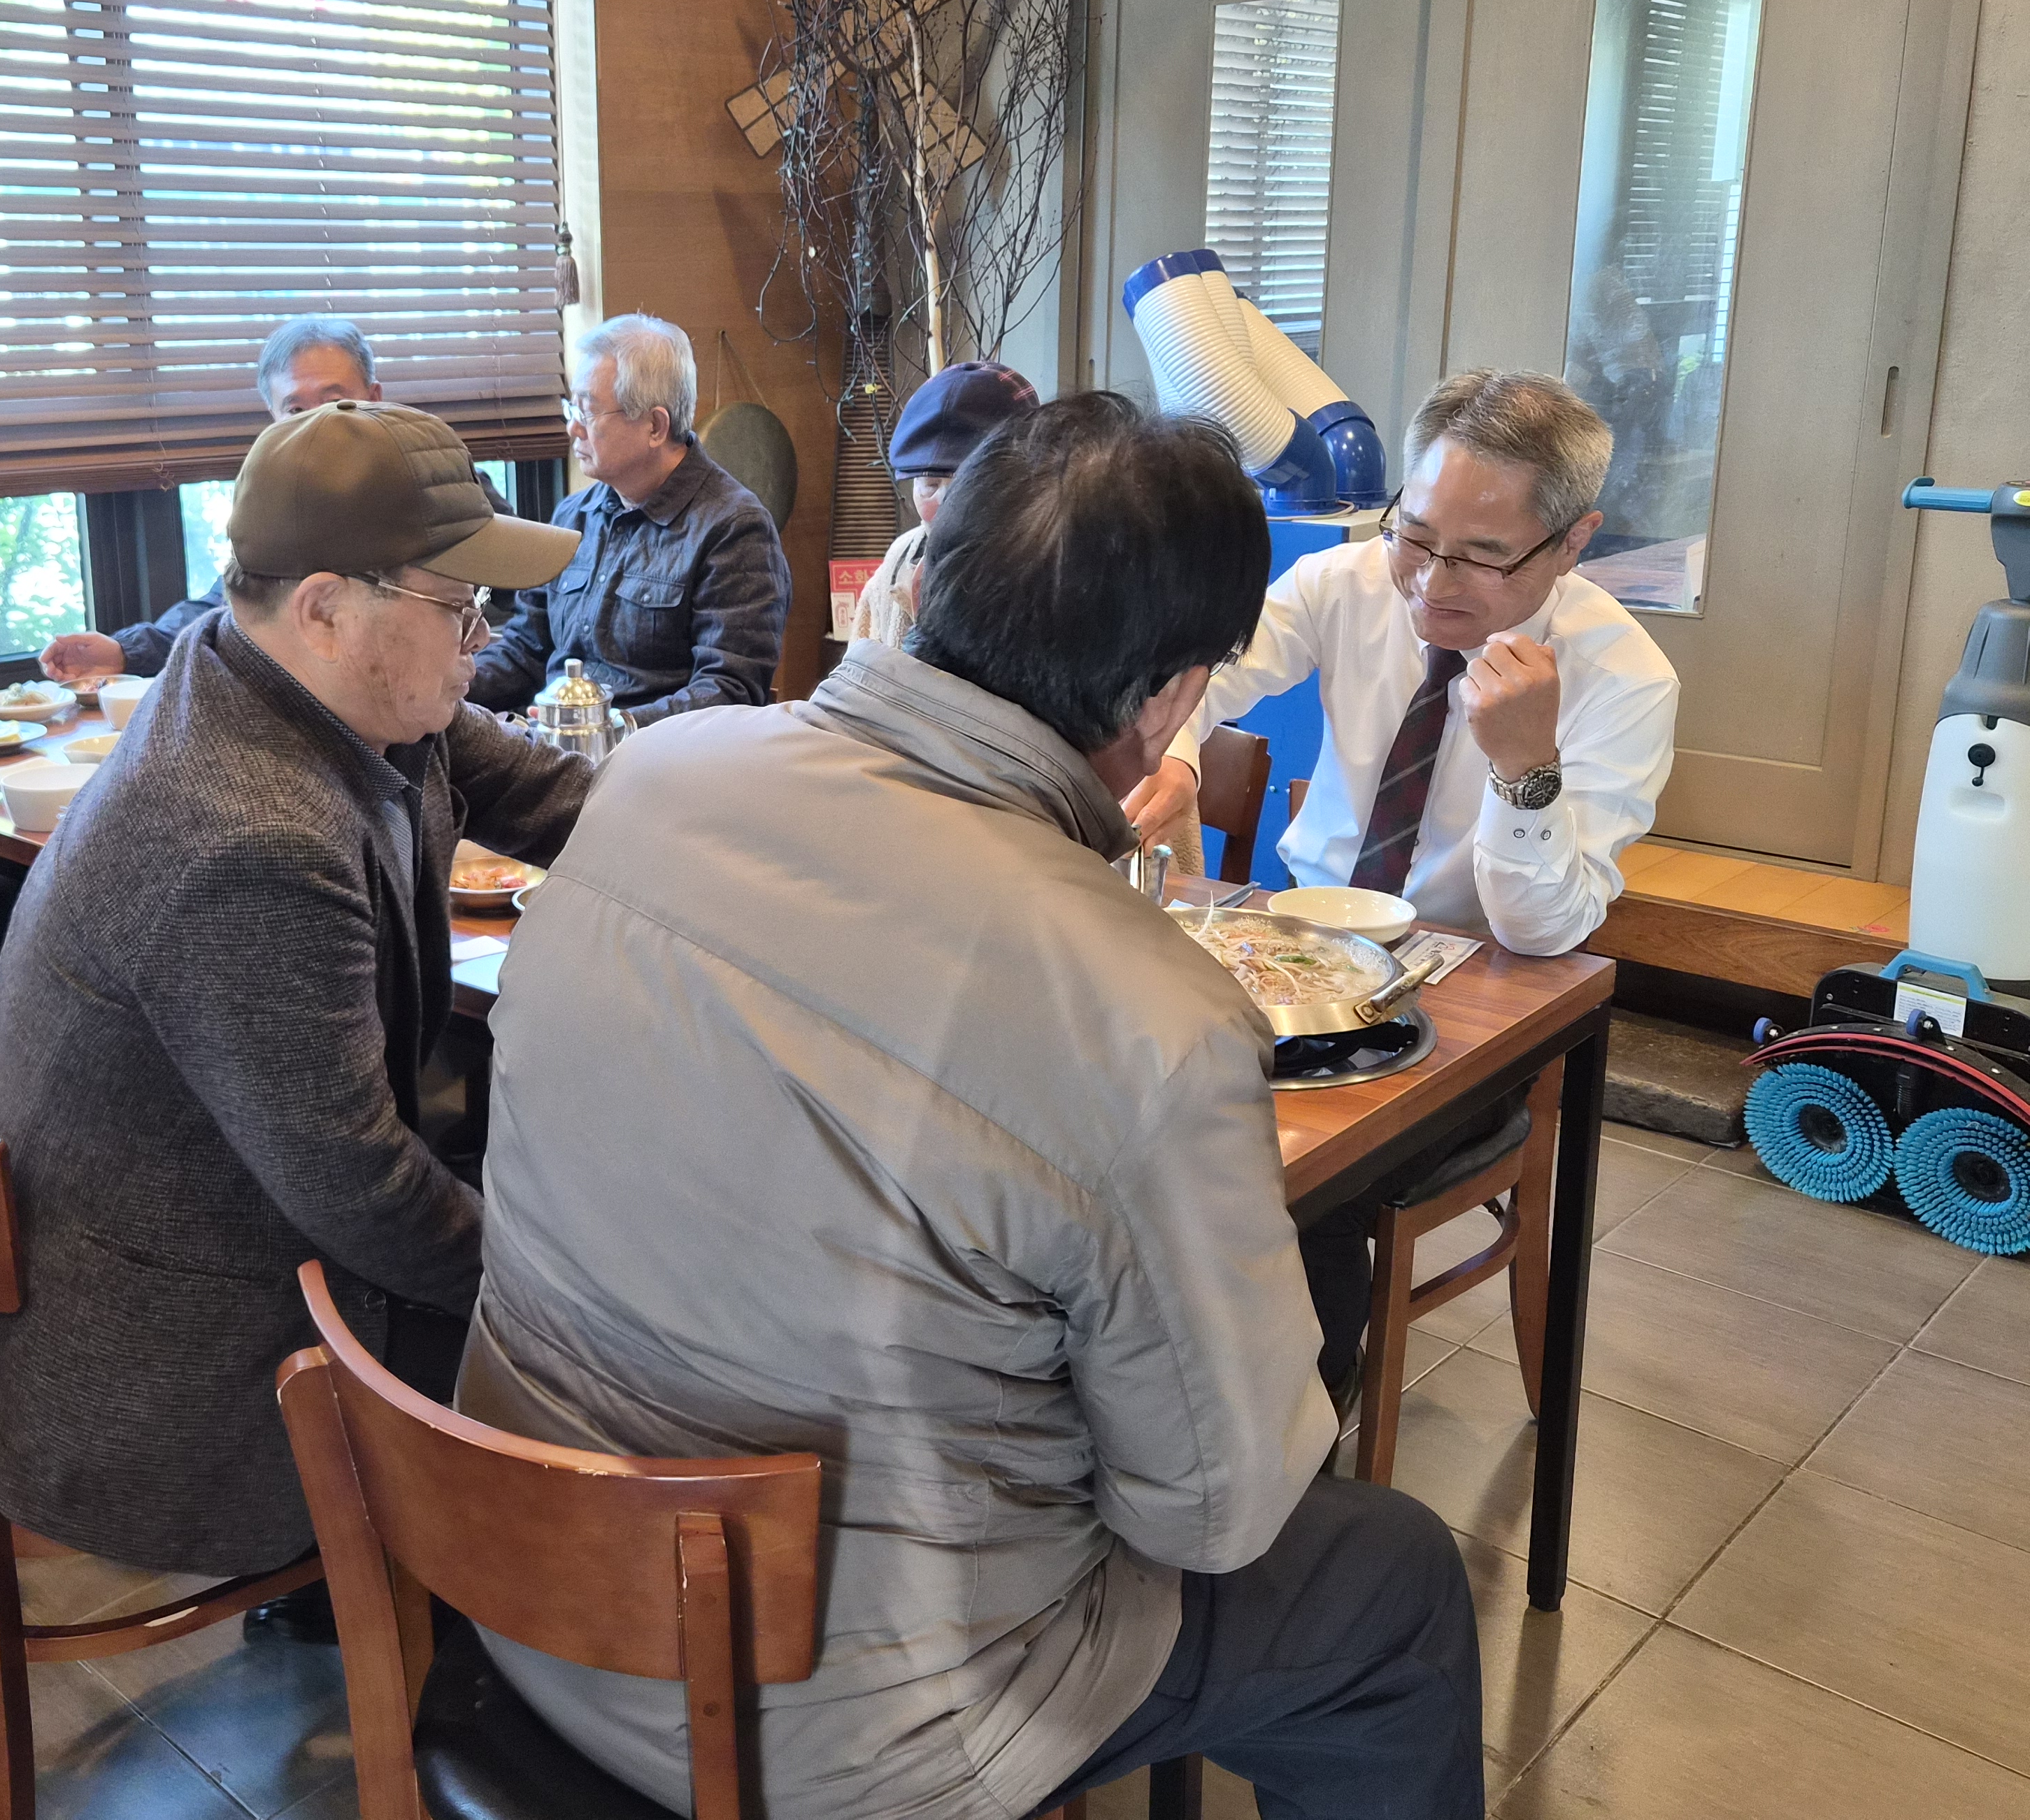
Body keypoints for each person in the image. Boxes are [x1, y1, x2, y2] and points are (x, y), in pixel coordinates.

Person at [469, 392, 1484, 1820]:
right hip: (830, 1731)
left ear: (923, 579)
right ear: (1169, 700)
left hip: (526, 1587)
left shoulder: (651, 774)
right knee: (1390, 1580)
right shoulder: (1140, 1006)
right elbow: (1212, 1510)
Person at [0, 400, 591, 1582]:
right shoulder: (245, 835)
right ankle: (463, 1643)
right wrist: (575, 1299)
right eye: (462, 608)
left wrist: (743, 829)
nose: (483, 638)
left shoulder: (294, 676)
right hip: (171, 1356)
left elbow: (557, 792)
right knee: (604, 1372)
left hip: (228, 1215)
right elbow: (366, 1198)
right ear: (326, 608)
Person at [1128, 367, 1679, 1401]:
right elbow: (1197, 672)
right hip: (1297, 955)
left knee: (1308, 1175)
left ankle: (1300, 1428)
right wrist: (1181, 760)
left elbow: (1545, 932)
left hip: (1474, 1004)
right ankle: (1164, 1391)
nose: (1431, 582)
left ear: (1572, 543)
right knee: (1126, 1087)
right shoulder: (1344, 584)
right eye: (1415, 535)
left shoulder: (1624, 679)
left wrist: (1525, 771)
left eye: (1482, 555)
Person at [36, 314, 516, 681]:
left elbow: (527, 608)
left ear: (374, 397)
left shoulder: (437, 480)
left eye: (335, 402)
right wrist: (125, 652)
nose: (318, 423)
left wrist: (471, 679)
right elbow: (234, 604)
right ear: (273, 417)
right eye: (295, 409)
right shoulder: (285, 505)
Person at [466, 313, 789, 728]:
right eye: (571, 407)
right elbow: (526, 650)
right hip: (553, 740)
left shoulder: (734, 529)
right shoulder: (572, 516)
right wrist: (452, 686)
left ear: (655, 426)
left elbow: (729, 690)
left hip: (655, 755)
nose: (573, 428)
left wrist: (604, 729)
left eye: (588, 411)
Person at [847, 359, 1034, 649]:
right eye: (930, 484)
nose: (947, 506)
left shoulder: (1049, 564)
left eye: (967, 484)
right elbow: (863, 657)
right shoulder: (900, 560)